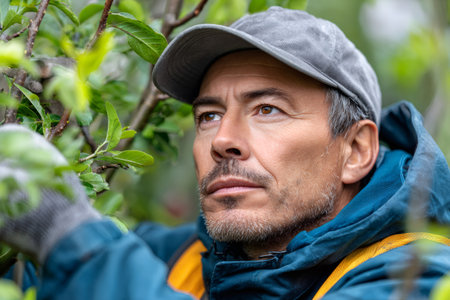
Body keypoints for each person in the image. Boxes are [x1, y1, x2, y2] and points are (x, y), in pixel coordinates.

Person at [1, 6, 449, 300]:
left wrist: (65, 233)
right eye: (209, 116)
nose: (222, 140)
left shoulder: (419, 277)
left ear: (356, 151)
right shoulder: (183, 260)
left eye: (267, 109)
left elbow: (78, 250)